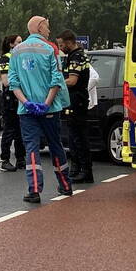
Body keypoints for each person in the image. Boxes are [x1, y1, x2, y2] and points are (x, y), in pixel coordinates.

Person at [8, 15, 72, 203]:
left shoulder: (16, 52)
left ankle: (34, 190)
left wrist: (26, 103)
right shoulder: (50, 49)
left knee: (31, 149)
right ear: (39, 27)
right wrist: (46, 103)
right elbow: (57, 80)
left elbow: (13, 83)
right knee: (56, 146)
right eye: (47, 27)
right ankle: (65, 185)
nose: (49, 31)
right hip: (49, 109)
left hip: (27, 111)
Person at [56, 30, 93, 183]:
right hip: (76, 100)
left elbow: (72, 80)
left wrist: (56, 83)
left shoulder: (76, 57)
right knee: (74, 136)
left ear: (69, 42)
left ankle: (85, 171)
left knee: (78, 137)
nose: (60, 48)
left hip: (76, 100)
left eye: (61, 44)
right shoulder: (76, 55)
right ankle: (77, 168)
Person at [0, 34, 25, 172]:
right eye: (19, 42)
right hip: (10, 99)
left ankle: (21, 159)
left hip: (20, 98)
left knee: (20, 131)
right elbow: (6, 81)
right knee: (9, 130)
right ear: (11, 44)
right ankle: (5, 160)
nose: (21, 44)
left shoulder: (21, 57)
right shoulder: (6, 58)